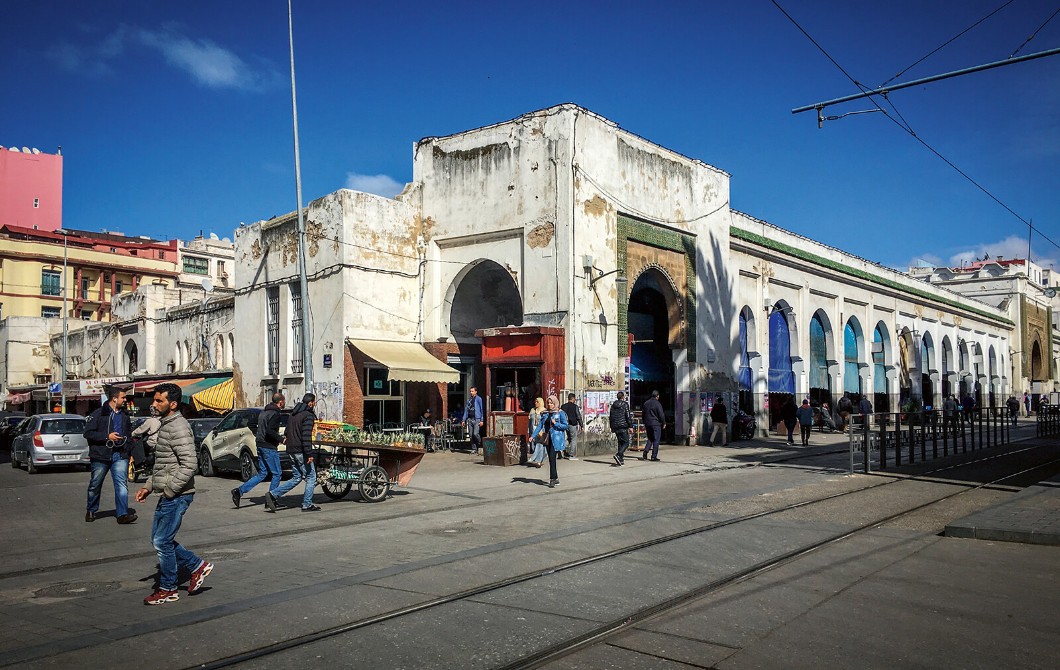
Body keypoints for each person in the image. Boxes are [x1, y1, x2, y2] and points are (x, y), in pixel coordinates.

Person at [135, 383, 212, 605]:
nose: (154, 404)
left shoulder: (177, 427)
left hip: (177, 494)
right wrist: (148, 487)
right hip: (169, 493)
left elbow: (190, 464)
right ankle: (198, 566)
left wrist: (169, 491)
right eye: (155, 399)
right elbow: (163, 465)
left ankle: (168, 588)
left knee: (162, 541)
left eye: (159, 400)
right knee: (159, 540)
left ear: (173, 404)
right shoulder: (166, 425)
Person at [83, 385, 137, 524]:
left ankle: (122, 514)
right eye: (123, 397)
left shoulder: (124, 415)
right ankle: (91, 510)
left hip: (120, 455)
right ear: (114, 398)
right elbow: (88, 433)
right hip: (101, 455)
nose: (125, 400)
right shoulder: (99, 413)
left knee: (121, 485)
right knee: (95, 483)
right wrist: (107, 436)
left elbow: (129, 434)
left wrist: (129, 449)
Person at [266, 393, 320, 513]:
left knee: (297, 477)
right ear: (310, 403)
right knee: (311, 476)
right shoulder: (308, 416)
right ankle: (307, 504)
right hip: (301, 450)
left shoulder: (293, 414)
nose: (314, 404)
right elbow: (306, 436)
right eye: (314, 402)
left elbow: (286, 431)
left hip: (290, 449)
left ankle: (273, 494)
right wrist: (309, 454)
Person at [232, 393, 286, 509]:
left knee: (263, 473)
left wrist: (258, 434)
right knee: (277, 473)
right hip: (268, 446)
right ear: (280, 402)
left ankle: (239, 491)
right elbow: (270, 431)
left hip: (260, 444)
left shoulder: (264, 412)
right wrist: (281, 439)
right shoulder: (275, 414)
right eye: (284, 401)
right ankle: (271, 498)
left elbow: (251, 423)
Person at [530, 395, 568, 488]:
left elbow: (565, 426)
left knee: (551, 457)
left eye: (551, 403)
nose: (550, 405)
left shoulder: (560, 413)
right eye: (548, 403)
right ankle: (555, 478)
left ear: (555, 403)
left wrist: (556, 424)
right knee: (551, 459)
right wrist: (532, 436)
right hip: (547, 439)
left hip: (556, 439)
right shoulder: (545, 413)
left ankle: (552, 479)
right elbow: (540, 425)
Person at [130, 406, 161, 479]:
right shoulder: (166, 420)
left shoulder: (151, 421)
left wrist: (131, 434)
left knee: (137, 447)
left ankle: (140, 464)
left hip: (152, 443)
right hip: (162, 443)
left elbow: (140, 430)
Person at [609, 391, 633, 466]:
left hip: (616, 426)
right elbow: (628, 416)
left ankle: (620, 460)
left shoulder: (613, 406)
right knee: (626, 442)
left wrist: (612, 427)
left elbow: (611, 417)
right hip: (623, 426)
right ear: (622, 397)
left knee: (620, 442)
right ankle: (619, 454)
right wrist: (630, 426)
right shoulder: (625, 404)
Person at [641, 390, 665, 461]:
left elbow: (643, 414)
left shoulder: (646, 403)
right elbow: (661, 414)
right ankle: (653, 456)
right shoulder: (657, 404)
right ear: (657, 396)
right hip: (655, 423)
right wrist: (664, 423)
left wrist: (644, 421)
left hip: (647, 423)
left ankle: (645, 452)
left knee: (650, 438)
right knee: (656, 440)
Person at [462, 387, 485, 456]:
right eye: (470, 391)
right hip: (470, 419)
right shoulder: (469, 400)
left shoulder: (479, 399)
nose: (471, 392)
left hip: (476, 419)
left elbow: (481, 409)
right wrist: (463, 420)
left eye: (472, 391)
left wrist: (482, 420)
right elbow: (466, 410)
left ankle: (479, 445)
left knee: (475, 433)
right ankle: (474, 449)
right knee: (471, 435)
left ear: (476, 392)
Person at [560, 393, 582, 460]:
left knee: (569, 438)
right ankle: (571, 455)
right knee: (573, 439)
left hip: (565, 424)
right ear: (573, 399)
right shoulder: (575, 406)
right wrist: (581, 425)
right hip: (572, 424)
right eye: (574, 398)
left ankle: (561, 449)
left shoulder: (563, 406)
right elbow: (578, 416)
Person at [526, 397, 546, 468]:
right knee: (535, 446)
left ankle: (535, 459)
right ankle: (538, 461)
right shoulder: (532, 410)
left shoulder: (544, 411)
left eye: (537, 402)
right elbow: (529, 422)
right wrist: (528, 431)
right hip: (533, 430)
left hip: (541, 431)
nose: (536, 403)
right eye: (535, 401)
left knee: (539, 444)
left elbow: (544, 423)